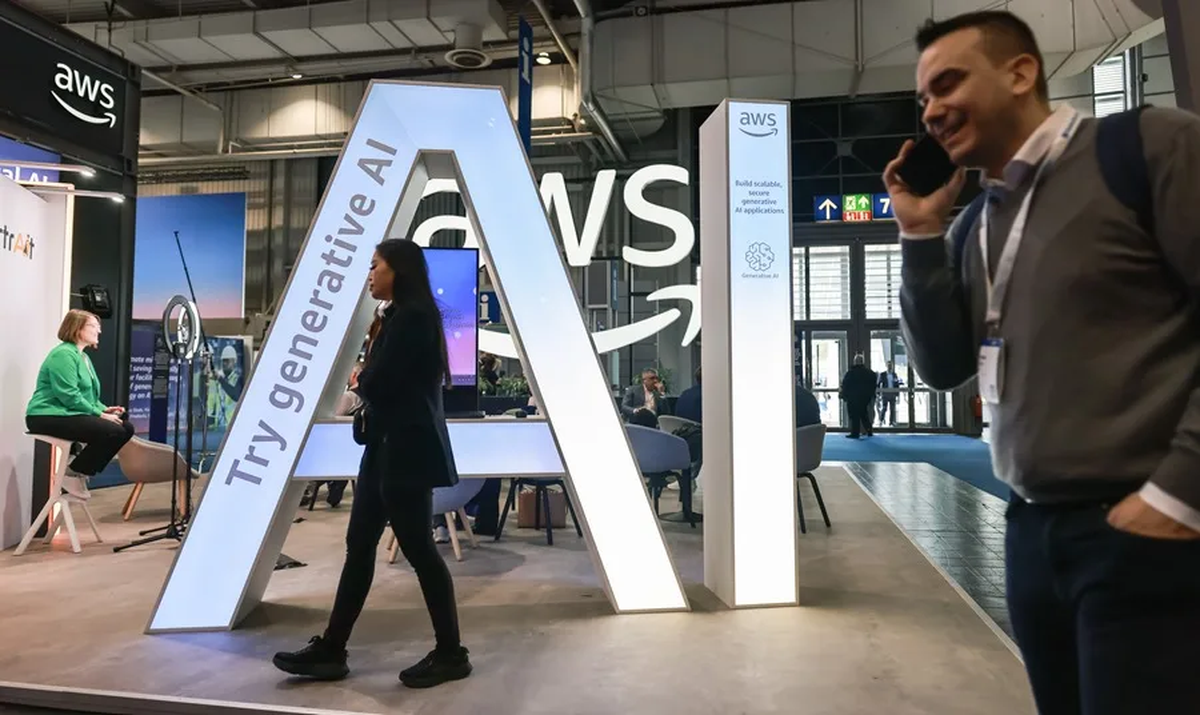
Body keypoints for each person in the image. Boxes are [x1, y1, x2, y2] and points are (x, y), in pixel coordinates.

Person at [889, 10, 1200, 712]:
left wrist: (1178, 494)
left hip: (1144, 528)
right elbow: (940, 365)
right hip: (1031, 531)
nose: (932, 111)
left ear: (1020, 72)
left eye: (947, 84)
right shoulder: (978, 220)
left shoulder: (1147, 149)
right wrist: (919, 233)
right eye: (923, 99)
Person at [274, 239, 470, 688]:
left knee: (419, 550)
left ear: (397, 270)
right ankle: (331, 648)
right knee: (359, 544)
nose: (370, 274)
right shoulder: (398, 318)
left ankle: (451, 654)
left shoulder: (414, 318)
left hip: (406, 449)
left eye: (375, 266)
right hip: (386, 447)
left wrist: (363, 376)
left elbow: (379, 383)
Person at [26, 310, 133, 498]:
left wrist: (104, 409)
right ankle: (73, 473)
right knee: (113, 430)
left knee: (125, 425)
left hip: (67, 412)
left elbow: (88, 396)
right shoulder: (63, 354)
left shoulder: (83, 357)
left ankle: (79, 469)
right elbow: (68, 395)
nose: (98, 331)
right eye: (93, 326)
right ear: (77, 328)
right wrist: (99, 414)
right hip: (46, 416)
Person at [838, 355, 876, 439]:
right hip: (864, 399)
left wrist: (843, 395)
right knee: (864, 414)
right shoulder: (870, 373)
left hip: (853, 398)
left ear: (855, 362)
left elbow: (845, 385)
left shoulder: (850, 373)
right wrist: (870, 396)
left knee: (854, 416)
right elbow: (873, 386)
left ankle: (855, 433)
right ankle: (869, 430)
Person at [876, 361, 902, 426]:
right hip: (885, 394)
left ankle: (891, 422)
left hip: (892, 393)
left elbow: (897, 385)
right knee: (884, 408)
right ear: (887, 366)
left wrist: (897, 394)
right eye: (889, 366)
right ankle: (881, 420)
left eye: (891, 366)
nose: (890, 367)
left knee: (892, 409)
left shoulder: (894, 375)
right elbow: (879, 384)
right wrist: (878, 393)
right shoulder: (883, 374)